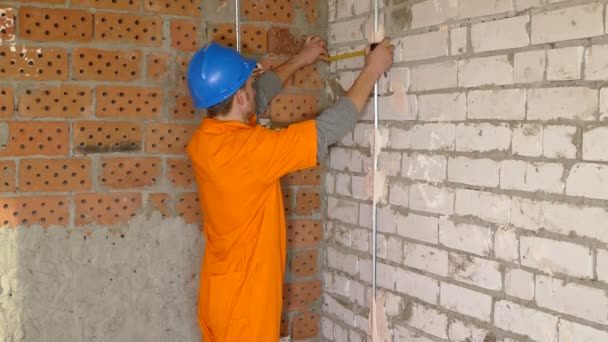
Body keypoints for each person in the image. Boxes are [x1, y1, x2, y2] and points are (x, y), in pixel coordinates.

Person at [186, 35, 394, 342]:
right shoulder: (249, 150)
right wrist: (372, 71)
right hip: (245, 305)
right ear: (240, 98)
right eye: (248, 83)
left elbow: (260, 96)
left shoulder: (206, 140)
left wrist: (301, 58)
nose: (254, 87)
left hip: (219, 292)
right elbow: (326, 131)